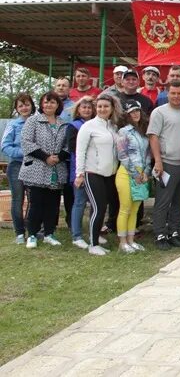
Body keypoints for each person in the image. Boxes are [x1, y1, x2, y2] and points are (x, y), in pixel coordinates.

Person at [20, 91, 70, 249]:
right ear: (41, 104)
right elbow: (26, 142)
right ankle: (32, 234)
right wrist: (45, 157)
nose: (49, 105)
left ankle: (49, 233)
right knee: (36, 203)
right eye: (46, 102)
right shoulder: (33, 121)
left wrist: (59, 157)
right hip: (38, 168)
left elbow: (68, 145)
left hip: (56, 169)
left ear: (58, 105)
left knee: (53, 204)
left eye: (53, 102)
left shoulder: (63, 123)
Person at [74, 93, 120, 256]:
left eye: (106, 106)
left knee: (102, 207)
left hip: (110, 173)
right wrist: (79, 173)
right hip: (93, 172)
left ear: (112, 108)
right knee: (99, 207)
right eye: (99, 106)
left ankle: (96, 236)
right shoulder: (89, 126)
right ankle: (93, 244)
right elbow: (80, 151)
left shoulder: (113, 126)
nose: (102, 109)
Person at [148, 81, 180, 250]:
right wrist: (158, 161)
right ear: (167, 93)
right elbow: (153, 137)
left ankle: (174, 232)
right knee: (163, 201)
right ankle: (160, 234)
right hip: (166, 163)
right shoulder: (159, 112)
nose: (176, 96)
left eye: (179, 93)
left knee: (179, 201)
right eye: (173, 93)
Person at [114, 100, 151, 253]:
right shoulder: (123, 132)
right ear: (127, 115)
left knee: (135, 209)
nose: (135, 114)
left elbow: (148, 154)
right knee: (125, 208)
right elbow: (123, 155)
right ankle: (122, 242)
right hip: (126, 173)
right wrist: (135, 173)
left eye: (137, 111)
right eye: (131, 112)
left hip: (141, 173)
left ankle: (131, 240)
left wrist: (146, 172)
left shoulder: (143, 131)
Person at [1, 93, 35, 244]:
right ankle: (20, 233)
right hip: (16, 165)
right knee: (18, 199)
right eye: (20, 105)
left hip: (35, 165)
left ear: (32, 106)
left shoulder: (37, 122)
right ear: (16, 108)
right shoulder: (13, 125)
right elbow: (5, 146)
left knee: (33, 199)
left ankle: (31, 230)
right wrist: (24, 152)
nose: (24, 108)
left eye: (27, 104)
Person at [65, 97, 95, 248]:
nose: (87, 110)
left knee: (95, 204)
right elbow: (74, 150)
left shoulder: (96, 124)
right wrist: (79, 173)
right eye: (84, 107)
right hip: (79, 169)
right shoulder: (73, 126)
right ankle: (77, 235)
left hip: (95, 169)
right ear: (78, 109)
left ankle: (92, 232)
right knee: (79, 202)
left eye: (89, 107)